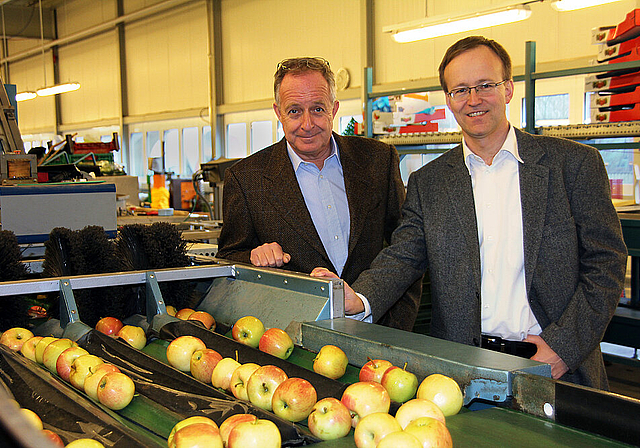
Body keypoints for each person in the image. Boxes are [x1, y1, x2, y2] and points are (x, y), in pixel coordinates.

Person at [312, 36, 627, 389]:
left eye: (485, 85)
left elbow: (607, 263)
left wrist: (563, 349)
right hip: (461, 371)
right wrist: (360, 296)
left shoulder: (573, 165)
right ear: (448, 100)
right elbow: (402, 257)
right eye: (460, 90)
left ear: (508, 89)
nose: (473, 100)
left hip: (556, 366)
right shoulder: (428, 182)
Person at [216, 57, 421, 331]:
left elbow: (406, 246)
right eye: (294, 111)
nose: (307, 123)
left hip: (378, 328)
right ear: (278, 112)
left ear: (334, 109)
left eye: (317, 109)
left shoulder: (377, 160)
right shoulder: (247, 178)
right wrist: (254, 256)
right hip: (292, 338)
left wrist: (397, 325)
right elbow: (229, 257)